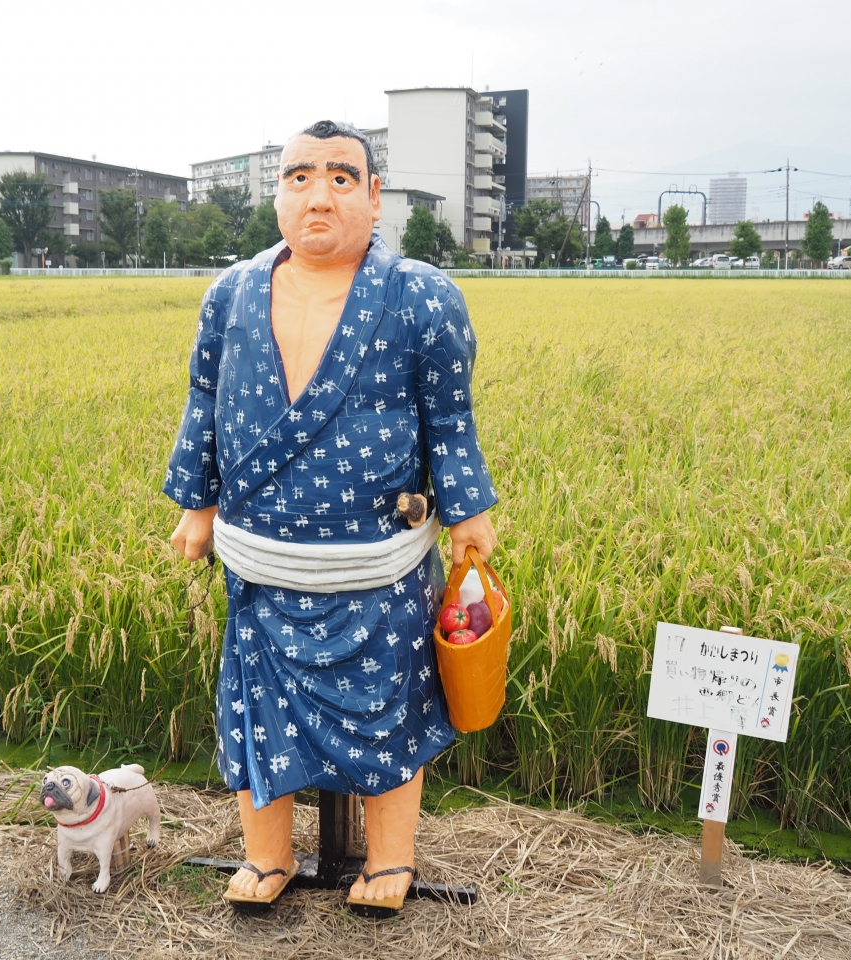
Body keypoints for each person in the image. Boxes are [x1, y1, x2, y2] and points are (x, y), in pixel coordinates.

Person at [164, 119, 497, 910]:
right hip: (261, 561)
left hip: (376, 561)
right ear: (277, 195)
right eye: (301, 178)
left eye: (342, 178)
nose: (320, 196)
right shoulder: (231, 294)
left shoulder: (420, 295)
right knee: (256, 715)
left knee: (388, 713)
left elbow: (449, 418)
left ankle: (388, 862)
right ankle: (268, 857)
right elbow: (204, 403)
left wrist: (467, 515)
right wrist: (197, 503)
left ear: (375, 198)